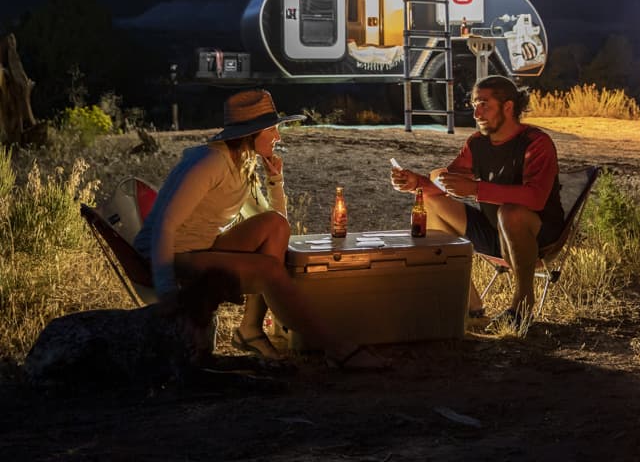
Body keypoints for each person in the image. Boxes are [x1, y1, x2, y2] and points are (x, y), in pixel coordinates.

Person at [134, 89, 387, 370]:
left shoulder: (243, 162)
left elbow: (276, 223)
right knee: (268, 269)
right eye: (272, 130)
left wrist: (275, 181)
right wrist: (167, 291)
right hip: (167, 254)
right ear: (251, 133)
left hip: (201, 246)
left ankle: (250, 329)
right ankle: (337, 348)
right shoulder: (209, 162)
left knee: (274, 226)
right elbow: (165, 224)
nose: (277, 137)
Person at [390, 75, 563, 333]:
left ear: (508, 107)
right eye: (474, 105)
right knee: (430, 201)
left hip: (538, 238)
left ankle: (522, 306)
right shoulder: (477, 143)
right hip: (495, 233)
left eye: (484, 105)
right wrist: (416, 182)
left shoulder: (536, 143)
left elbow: (535, 198)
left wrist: (475, 189)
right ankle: (470, 308)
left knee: (510, 213)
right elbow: (446, 182)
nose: (476, 114)